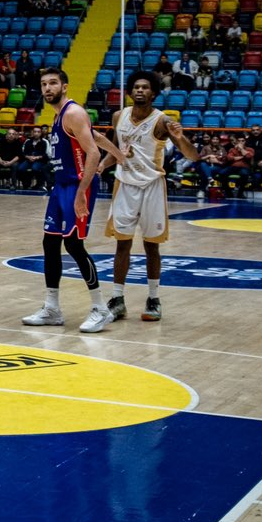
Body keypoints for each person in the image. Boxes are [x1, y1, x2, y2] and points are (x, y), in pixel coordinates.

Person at [89, 71, 198, 328]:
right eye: (136, 87)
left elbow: (193, 157)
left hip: (152, 187)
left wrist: (181, 138)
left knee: (152, 246)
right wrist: (102, 165)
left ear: (154, 93)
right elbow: (115, 150)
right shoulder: (119, 116)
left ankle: (153, 298)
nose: (139, 90)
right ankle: (117, 299)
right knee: (122, 245)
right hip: (125, 185)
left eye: (145, 87)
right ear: (130, 91)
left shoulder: (162, 121)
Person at [21, 67, 108, 332]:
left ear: (65, 86)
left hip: (77, 186)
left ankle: (101, 308)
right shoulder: (61, 116)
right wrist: (119, 154)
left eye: (53, 83)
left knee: (74, 245)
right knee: (50, 243)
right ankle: (52, 309)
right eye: (44, 84)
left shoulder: (73, 112)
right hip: (60, 187)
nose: (48, 88)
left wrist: (81, 193)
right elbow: (97, 137)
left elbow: (92, 153)